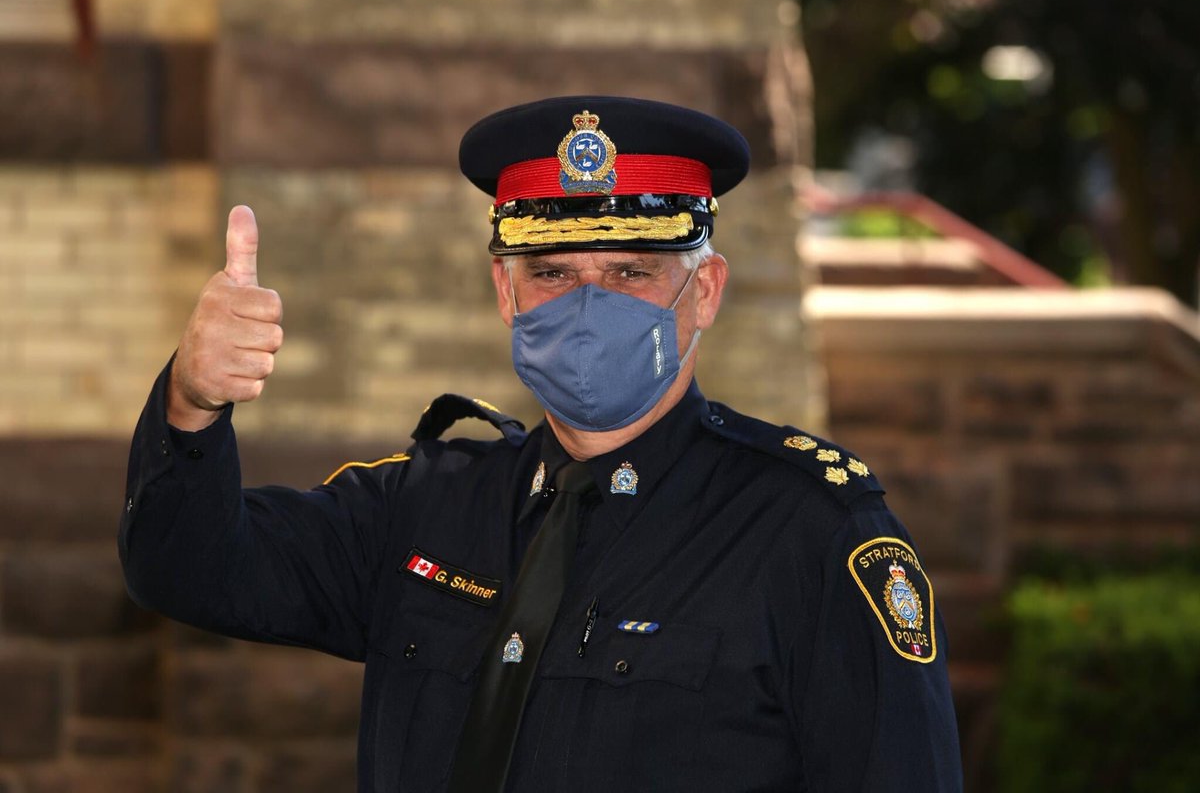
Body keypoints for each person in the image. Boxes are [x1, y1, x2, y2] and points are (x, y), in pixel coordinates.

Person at [120, 96, 963, 791]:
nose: (587, 306)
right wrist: (193, 402)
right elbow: (188, 567)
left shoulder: (811, 533)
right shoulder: (427, 506)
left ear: (703, 290)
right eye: (553, 274)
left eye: (631, 273)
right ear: (505, 289)